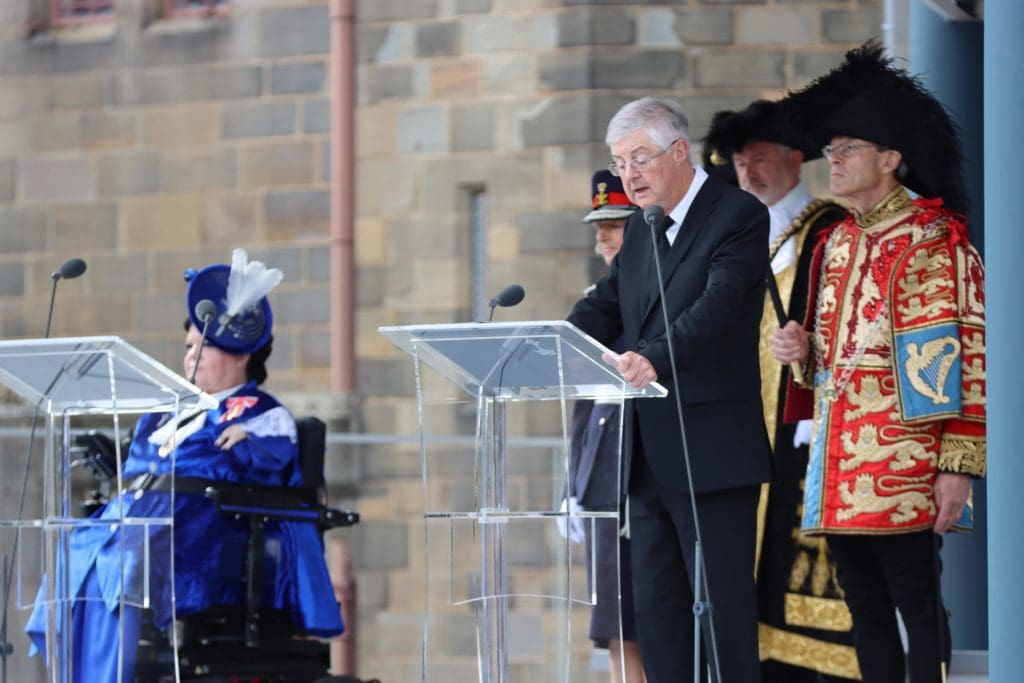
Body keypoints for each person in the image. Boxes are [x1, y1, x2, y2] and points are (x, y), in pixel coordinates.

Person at [769, 42, 986, 683]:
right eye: (830, 150)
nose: (832, 160)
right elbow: (829, 360)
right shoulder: (834, 242)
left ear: (890, 159)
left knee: (917, 601)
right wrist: (802, 353)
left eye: (847, 149)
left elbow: (969, 358)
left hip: (908, 461)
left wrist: (958, 466)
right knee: (862, 603)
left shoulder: (936, 237)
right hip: (838, 460)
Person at [27, 249, 344, 683]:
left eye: (203, 346)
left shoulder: (259, 411)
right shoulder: (163, 414)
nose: (191, 357)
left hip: (206, 533)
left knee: (124, 558)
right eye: (188, 347)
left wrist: (248, 442)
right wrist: (118, 461)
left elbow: (269, 467)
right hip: (144, 522)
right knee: (72, 552)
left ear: (240, 354)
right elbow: (146, 468)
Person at [567, 96, 772, 683]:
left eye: (639, 159)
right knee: (658, 622)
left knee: (723, 620)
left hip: (710, 452)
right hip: (648, 458)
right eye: (619, 162)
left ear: (679, 151)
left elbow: (718, 308)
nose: (628, 175)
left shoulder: (737, 214)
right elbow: (605, 306)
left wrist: (651, 359)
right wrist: (548, 342)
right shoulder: (641, 228)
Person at [704, 101, 858, 681]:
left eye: (760, 158)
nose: (748, 172)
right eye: (740, 162)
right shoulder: (742, 234)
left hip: (804, 424)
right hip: (749, 425)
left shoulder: (827, 229)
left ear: (796, 158)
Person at [563, 169, 645, 683]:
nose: (603, 239)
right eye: (600, 228)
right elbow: (581, 405)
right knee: (614, 624)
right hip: (602, 476)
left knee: (644, 619)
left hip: (642, 472)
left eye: (614, 226)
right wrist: (572, 484)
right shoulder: (597, 300)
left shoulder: (653, 295)